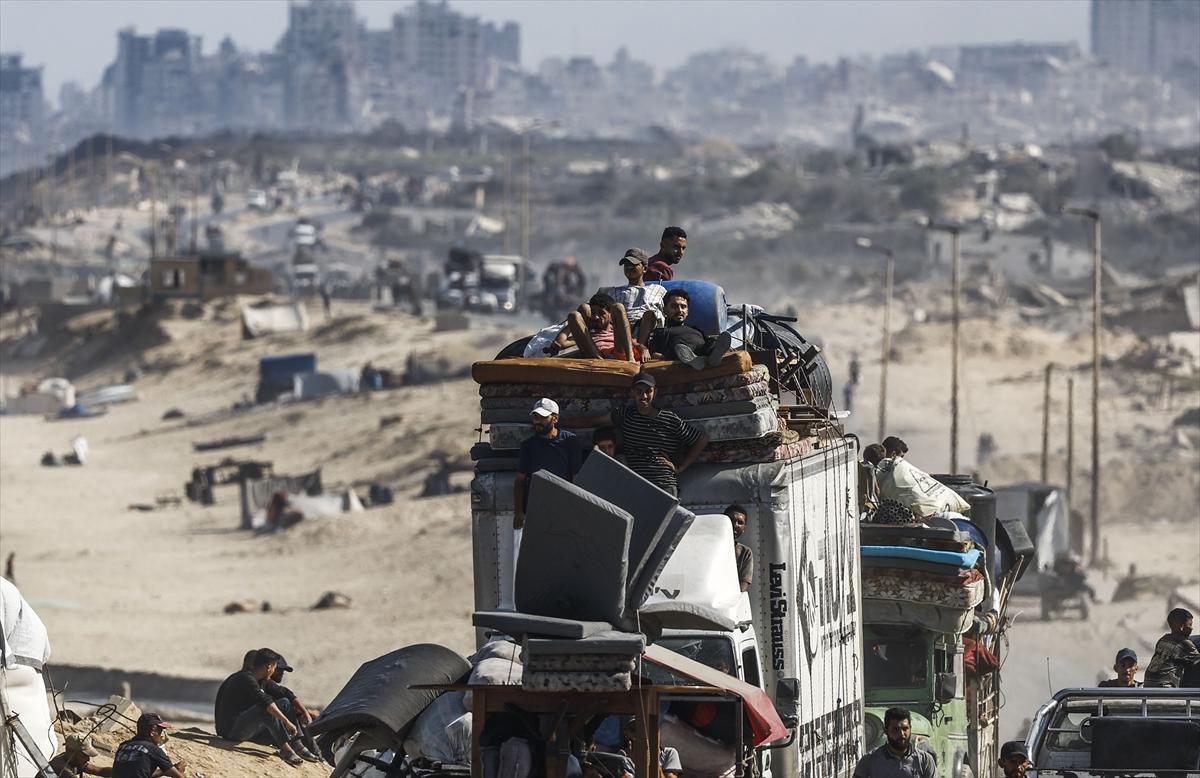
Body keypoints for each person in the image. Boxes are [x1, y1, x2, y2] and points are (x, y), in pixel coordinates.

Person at [565, 371, 708, 496]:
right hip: (635, 484)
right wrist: (559, 422)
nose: (643, 396)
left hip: (662, 484)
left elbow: (701, 439)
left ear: (655, 392)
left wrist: (680, 468)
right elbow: (591, 421)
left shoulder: (669, 419)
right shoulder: (625, 415)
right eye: (639, 391)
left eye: (648, 391)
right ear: (632, 393)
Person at [214, 647, 318, 765]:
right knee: (266, 709)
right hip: (231, 731)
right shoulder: (245, 678)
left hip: (244, 727)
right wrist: (286, 721)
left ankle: (297, 745)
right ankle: (286, 751)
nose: (275, 671)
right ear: (269, 667)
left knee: (285, 703)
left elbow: (285, 693)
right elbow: (265, 703)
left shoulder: (261, 680)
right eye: (275, 667)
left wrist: (304, 712)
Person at [513, 399, 582, 529]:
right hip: (536, 510)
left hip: (563, 509)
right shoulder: (528, 446)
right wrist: (519, 513)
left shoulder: (569, 441)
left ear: (555, 418)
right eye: (535, 417)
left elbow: (576, 478)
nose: (538, 421)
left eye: (543, 417)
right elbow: (520, 480)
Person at [594, 248, 667, 348]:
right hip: (619, 332)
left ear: (645, 269)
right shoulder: (613, 291)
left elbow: (666, 311)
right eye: (626, 264)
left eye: (633, 264)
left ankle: (640, 347)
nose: (629, 267)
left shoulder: (657, 289)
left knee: (649, 314)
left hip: (645, 331)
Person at [646, 289, 732, 370]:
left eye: (683, 307)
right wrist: (663, 357)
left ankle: (712, 357)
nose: (680, 310)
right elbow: (653, 352)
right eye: (674, 306)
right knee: (679, 348)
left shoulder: (695, 329)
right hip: (680, 353)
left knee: (711, 343)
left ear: (687, 311)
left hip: (701, 350)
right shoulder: (662, 331)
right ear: (665, 310)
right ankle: (693, 360)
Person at [852, 707, 937, 778]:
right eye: (895, 729)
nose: (901, 734)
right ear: (886, 731)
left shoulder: (924, 760)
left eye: (905, 729)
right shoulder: (870, 760)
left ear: (910, 729)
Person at [555, 292, 638, 362]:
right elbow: (560, 343)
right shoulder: (588, 334)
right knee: (573, 315)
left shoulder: (618, 332)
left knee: (618, 307)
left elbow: (636, 344)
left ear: (611, 316)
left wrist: (642, 349)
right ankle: (601, 362)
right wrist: (580, 319)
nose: (596, 317)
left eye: (601, 313)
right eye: (593, 313)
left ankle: (631, 359)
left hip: (619, 353)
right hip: (596, 357)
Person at [111, 713, 186, 778]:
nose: (161, 735)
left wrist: (163, 771)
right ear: (152, 731)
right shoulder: (153, 749)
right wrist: (180, 769)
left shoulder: (123, 746)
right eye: (160, 731)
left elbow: (140, 773)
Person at [1144, 608, 1200, 687]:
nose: (1192, 628)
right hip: (1165, 688)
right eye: (1190, 625)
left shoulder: (1162, 640)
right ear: (1182, 627)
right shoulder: (1184, 643)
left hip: (1148, 685)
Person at [38, 735, 113, 778]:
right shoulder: (62, 768)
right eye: (84, 755)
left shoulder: (72, 760)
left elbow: (100, 771)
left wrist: (117, 771)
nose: (88, 759)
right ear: (72, 753)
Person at [725, 504, 753, 592]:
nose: (735, 525)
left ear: (744, 528)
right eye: (731, 520)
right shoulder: (712, 547)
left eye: (740, 522)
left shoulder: (745, 552)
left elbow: (744, 583)